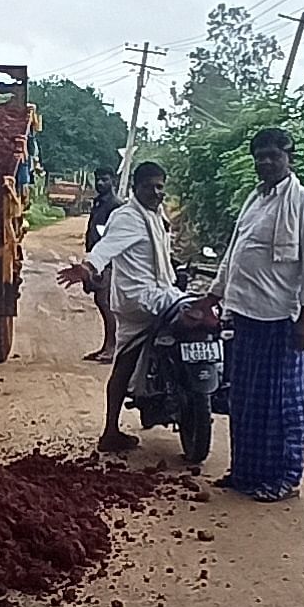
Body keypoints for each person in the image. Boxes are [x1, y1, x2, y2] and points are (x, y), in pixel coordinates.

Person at [213, 128, 304, 501]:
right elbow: (235, 252)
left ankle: (285, 478)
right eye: (259, 156)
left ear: (290, 158)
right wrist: (215, 296)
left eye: (273, 156)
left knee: (281, 404)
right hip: (246, 315)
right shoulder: (254, 200)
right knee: (244, 401)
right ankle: (246, 472)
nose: (265, 162)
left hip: (282, 319)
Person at [57, 161, 180, 451]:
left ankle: (172, 393)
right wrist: (88, 267)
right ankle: (111, 432)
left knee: (195, 326)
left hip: (161, 292)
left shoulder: (155, 214)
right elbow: (106, 247)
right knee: (127, 359)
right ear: (135, 187)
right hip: (140, 300)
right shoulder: (127, 217)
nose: (156, 192)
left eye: (160, 186)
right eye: (149, 186)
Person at [82, 167, 122, 362]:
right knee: (101, 301)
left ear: (113, 181)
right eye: (97, 179)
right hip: (97, 260)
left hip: (108, 263)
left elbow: (113, 238)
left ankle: (112, 347)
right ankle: (106, 346)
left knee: (107, 304)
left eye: (104, 180)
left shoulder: (115, 206)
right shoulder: (100, 203)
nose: (99, 183)